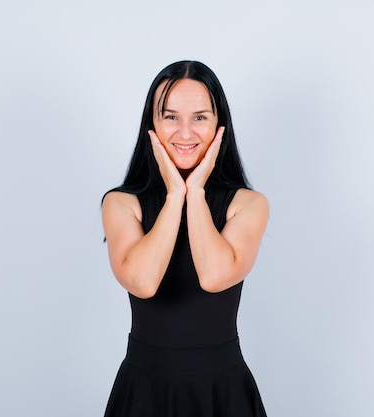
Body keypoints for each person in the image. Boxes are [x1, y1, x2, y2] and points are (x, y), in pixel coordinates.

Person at [101, 60, 269, 417]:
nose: (185, 132)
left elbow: (214, 276)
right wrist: (174, 195)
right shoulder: (121, 204)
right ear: (153, 124)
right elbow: (143, 282)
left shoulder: (248, 205)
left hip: (221, 392)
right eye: (171, 116)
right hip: (144, 391)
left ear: (219, 124)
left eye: (200, 117)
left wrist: (195, 193)